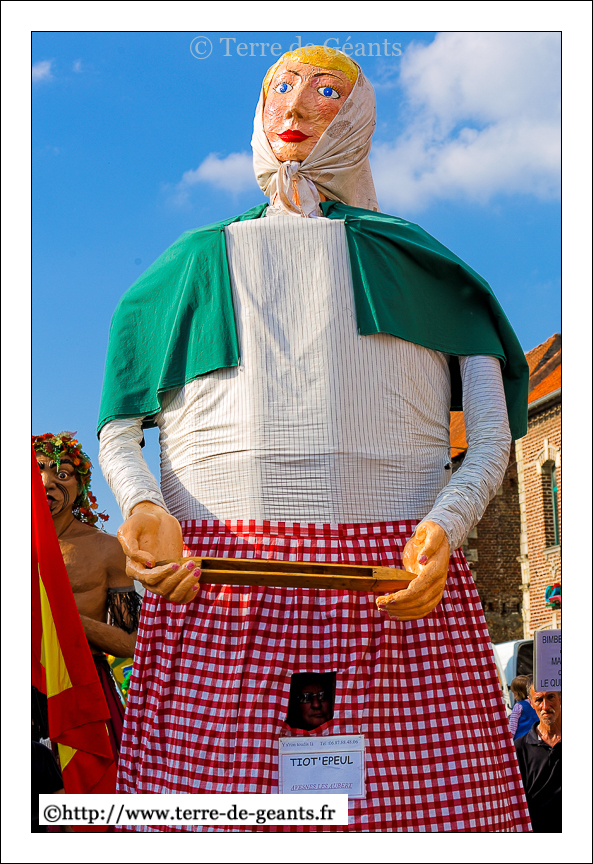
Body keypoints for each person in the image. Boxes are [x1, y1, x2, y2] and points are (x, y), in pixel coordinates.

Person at [98, 47, 531, 832]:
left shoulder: (428, 269)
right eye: (280, 88)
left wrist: (445, 524)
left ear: (359, 117)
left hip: (396, 584)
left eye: (326, 91)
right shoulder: (191, 264)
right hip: (220, 587)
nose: (295, 108)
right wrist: (143, 506)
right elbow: (118, 426)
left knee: (413, 825)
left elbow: (489, 438)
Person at [33, 432, 140, 759]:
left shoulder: (107, 550)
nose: (47, 483)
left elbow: (129, 643)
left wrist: (62, 617)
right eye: (36, 471)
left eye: (62, 474)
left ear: (80, 487)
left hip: (83, 684)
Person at [515, 677, 561, 833]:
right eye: (539, 700)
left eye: (551, 697)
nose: (545, 706)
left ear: (560, 697)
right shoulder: (521, 747)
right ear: (531, 703)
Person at [509, 675, 539, 740]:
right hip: (535, 738)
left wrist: (509, 740)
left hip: (520, 740)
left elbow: (512, 726)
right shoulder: (536, 704)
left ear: (516, 693)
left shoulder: (518, 706)